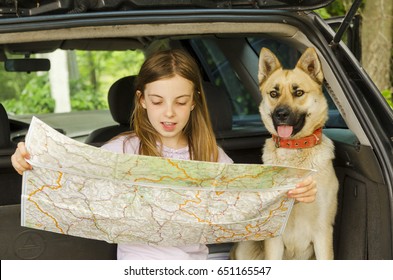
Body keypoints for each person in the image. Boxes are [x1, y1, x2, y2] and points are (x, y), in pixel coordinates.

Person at [11, 49, 317, 260]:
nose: (168, 113)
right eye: (157, 101)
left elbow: (251, 202)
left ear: (195, 102)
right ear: (142, 101)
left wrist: (293, 191)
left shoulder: (212, 156)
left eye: (180, 102)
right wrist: (29, 160)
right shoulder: (122, 150)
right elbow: (70, 176)